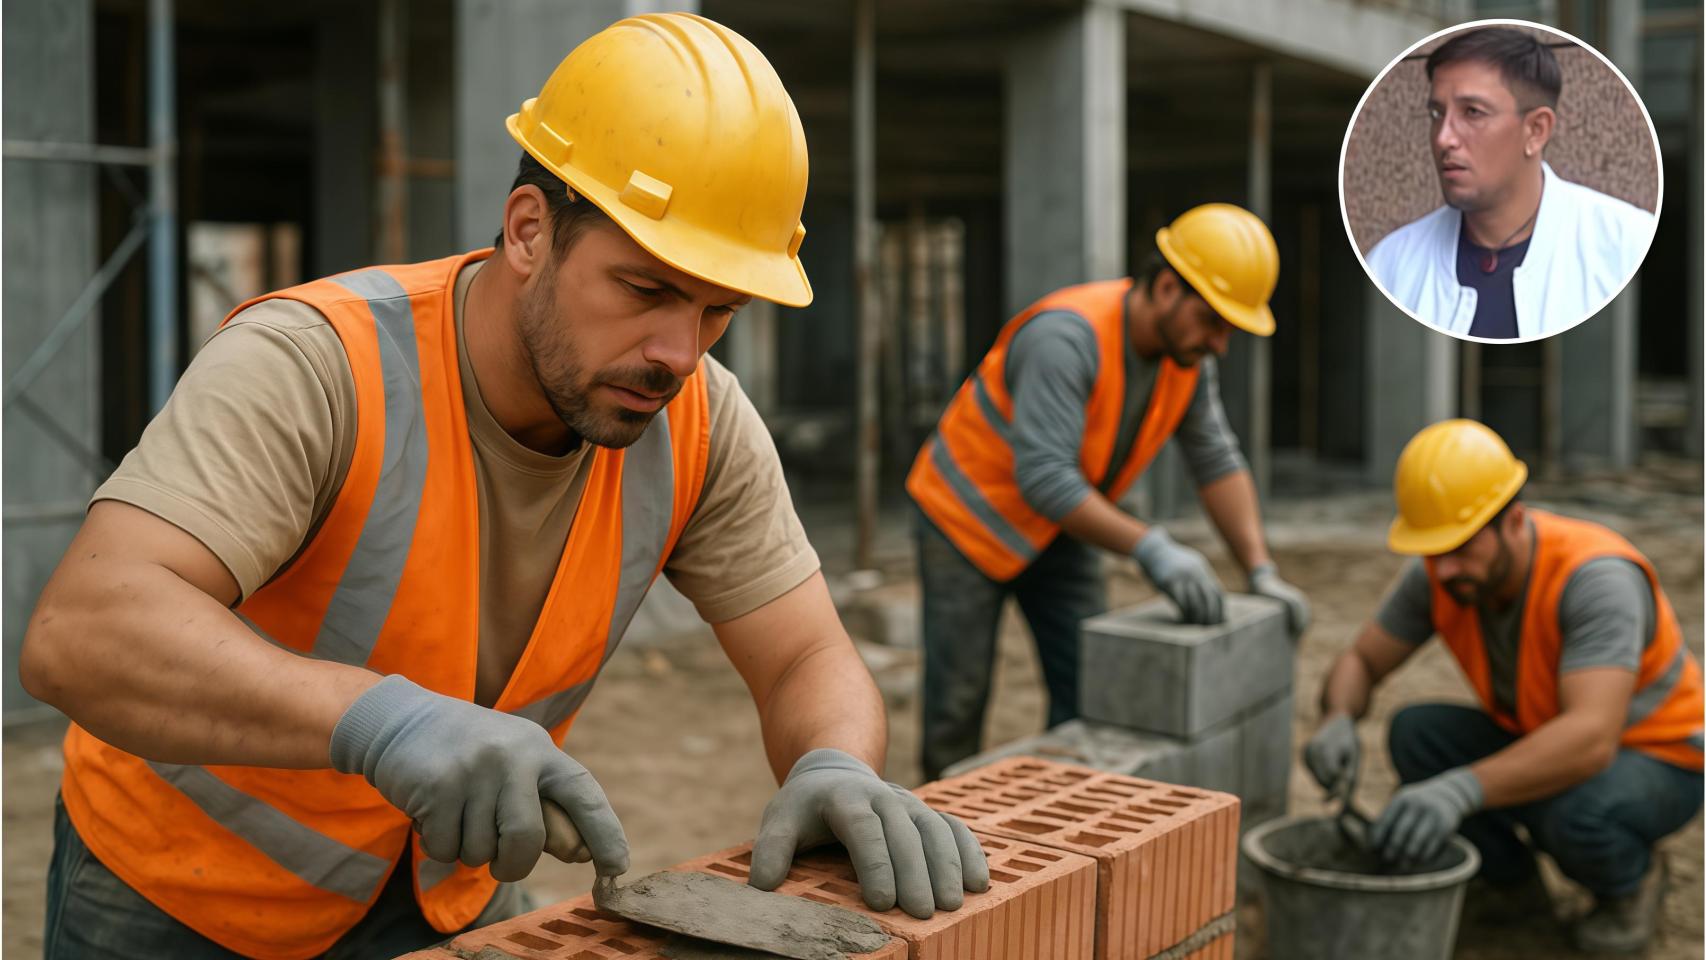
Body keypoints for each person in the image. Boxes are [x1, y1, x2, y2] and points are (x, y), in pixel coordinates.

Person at [20, 14, 984, 959]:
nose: (678, 354)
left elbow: (804, 653)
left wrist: (834, 761)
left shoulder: (695, 419)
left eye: (718, 310)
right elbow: (85, 632)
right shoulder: (319, 366)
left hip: (446, 887)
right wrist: (382, 724)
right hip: (183, 898)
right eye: (644, 290)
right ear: (529, 230)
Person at [906, 202, 1312, 780]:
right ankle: (938, 827)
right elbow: (1045, 477)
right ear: (1168, 286)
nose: (1221, 342)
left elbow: (1216, 458)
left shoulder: (1187, 360)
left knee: (1091, 686)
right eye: (1215, 321)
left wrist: (1260, 569)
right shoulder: (1066, 338)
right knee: (958, 701)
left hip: (1059, 526)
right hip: (966, 522)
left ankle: (1061, 819)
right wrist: (1151, 547)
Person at [1305, 419, 1703, 954]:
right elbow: (1360, 660)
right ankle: (1513, 888)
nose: (1444, 569)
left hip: (1661, 756)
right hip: (1551, 736)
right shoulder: (1442, 573)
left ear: (1513, 521)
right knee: (1417, 734)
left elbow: (1590, 737)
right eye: (1433, 549)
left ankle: (1632, 883)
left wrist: (1460, 789)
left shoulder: (1595, 578)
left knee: (1577, 815)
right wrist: (1337, 718)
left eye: (1461, 547)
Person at [1366, 27, 1656, 340]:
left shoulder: (1626, 244)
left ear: (1536, 131)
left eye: (1473, 112)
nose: (1443, 138)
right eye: (1437, 113)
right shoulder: (1392, 263)